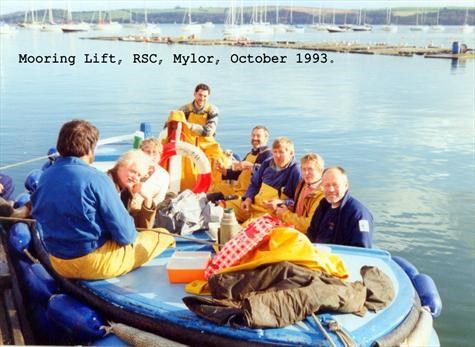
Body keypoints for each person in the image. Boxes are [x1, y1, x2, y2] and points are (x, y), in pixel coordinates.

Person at [31, 120, 174, 280]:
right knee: (163, 236)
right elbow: (127, 236)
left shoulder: (45, 176)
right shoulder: (97, 179)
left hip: (58, 261)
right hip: (93, 263)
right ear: (90, 148)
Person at [227, 137, 301, 223]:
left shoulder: (296, 171)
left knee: (247, 229)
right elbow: (255, 184)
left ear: (291, 153)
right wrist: (248, 199)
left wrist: (281, 202)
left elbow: (299, 202)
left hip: (271, 213)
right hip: (254, 205)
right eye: (275, 152)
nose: (277, 156)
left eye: (281, 152)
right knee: (224, 209)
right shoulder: (267, 163)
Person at [171, 83, 227, 191]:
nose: (202, 98)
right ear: (194, 94)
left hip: (207, 142)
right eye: (200, 95)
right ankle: (186, 186)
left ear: (208, 97)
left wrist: (191, 126)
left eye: (205, 96)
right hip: (189, 141)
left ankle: (214, 186)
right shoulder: (185, 109)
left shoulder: (212, 110)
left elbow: (209, 131)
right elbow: (174, 126)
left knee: (219, 159)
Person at [307, 166, 373, 248]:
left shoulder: (359, 214)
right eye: (327, 185)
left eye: (335, 185)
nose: (331, 189)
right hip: (318, 256)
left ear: (346, 186)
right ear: (322, 187)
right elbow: (311, 235)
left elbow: (362, 251)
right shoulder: (323, 206)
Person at [269, 153, 325, 233]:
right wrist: (282, 206)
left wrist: (284, 214)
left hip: (309, 236)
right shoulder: (303, 184)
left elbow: (308, 225)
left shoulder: (322, 195)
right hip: (296, 228)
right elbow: (299, 207)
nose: (306, 173)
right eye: (303, 169)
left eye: (310, 169)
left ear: (320, 170)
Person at [107, 149, 161, 229]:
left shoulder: (125, 192)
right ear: (120, 165)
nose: (135, 178)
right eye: (133, 171)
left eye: (139, 175)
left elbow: (142, 228)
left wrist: (148, 199)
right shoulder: (107, 184)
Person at [212, 125, 272, 196]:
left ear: (266, 138)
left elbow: (268, 175)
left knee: (215, 199)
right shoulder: (250, 154)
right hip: (237, 189)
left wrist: (251, 166)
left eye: (258, 136)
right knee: (212, 188)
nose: (255, 138)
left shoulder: (268, 154)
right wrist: (223, 171)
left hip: (249, 194)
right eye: (253, 135)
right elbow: (238, 174)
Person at [139, 138, 170, 205]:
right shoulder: (134, 169)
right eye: (148, 152)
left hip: (150, 209)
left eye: (154, 152)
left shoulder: (164, 175)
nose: (151, 155)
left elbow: (160, 199)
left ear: (160, 155)